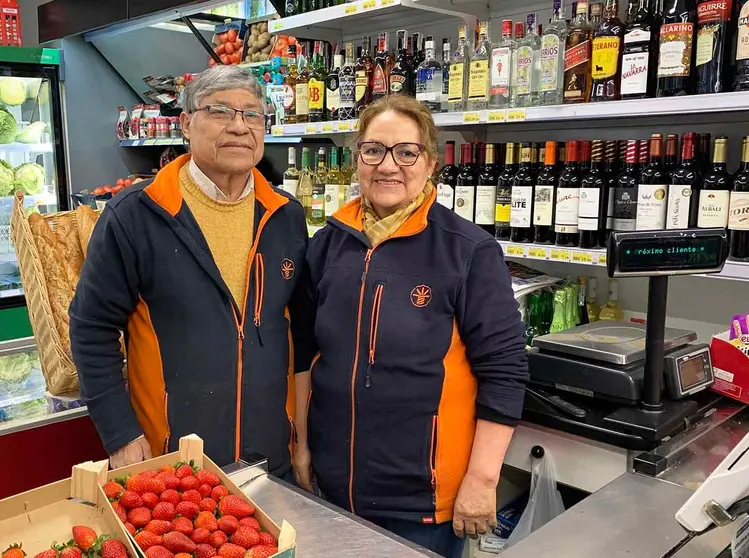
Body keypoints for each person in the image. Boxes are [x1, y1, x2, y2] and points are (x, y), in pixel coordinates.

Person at [292, 95, 528, 558]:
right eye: (373, 150)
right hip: (334, 483)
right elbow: (303, 349)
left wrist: (482, 480)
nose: (388, 165)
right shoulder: (327, 244)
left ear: (430, 162)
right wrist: (300, 444)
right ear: (357, 157)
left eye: (406, 151)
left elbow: (505, 371)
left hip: (423, 498)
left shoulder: (466, 251)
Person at [70, 65, 315, 478]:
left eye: (252, 114)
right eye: (220, 112)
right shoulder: (137, 214)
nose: (240, 127)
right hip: (172, 465)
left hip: (270, 460)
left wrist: (301, 442)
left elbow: (302, 333)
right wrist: (120, 435)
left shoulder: (285, 215)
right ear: (186, 123)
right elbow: (91, 328)